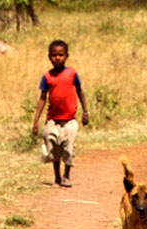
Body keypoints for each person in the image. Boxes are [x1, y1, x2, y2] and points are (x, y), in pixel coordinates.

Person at [32, 40, 89, 187]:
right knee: (53, 148)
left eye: (61, 55)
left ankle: (66, 176)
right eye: (54, 55)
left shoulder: (72, 74)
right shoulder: (47, 77)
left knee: (68, 148)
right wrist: (36, 120)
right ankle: (57, 176)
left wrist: (85, 112)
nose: (57, 58)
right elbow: (42, 98)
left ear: (66, 56)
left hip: (69, 120)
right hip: (52, 120)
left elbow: (80, 92)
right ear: (49, 56)